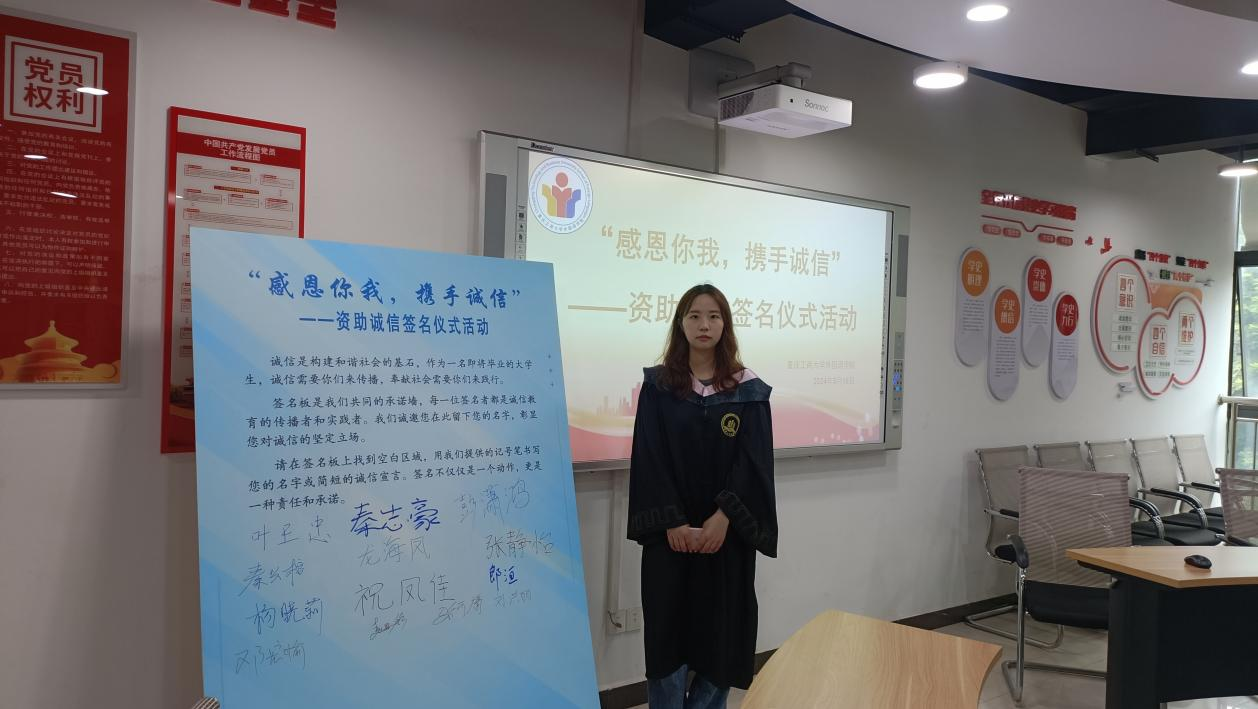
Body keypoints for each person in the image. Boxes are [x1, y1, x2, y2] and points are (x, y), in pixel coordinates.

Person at [626, 283, 778, 709]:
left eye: (713, 316)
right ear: (681, 323)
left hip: (724, 540)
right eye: (694, 315)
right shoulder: (659, 388)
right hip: (669, 540)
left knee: (721, 640)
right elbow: (650, 456)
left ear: (725, 324)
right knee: (667, 638)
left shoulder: (748, 391)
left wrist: (724, 516)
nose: (704, 324)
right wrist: (672, 520)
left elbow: (753, 462)